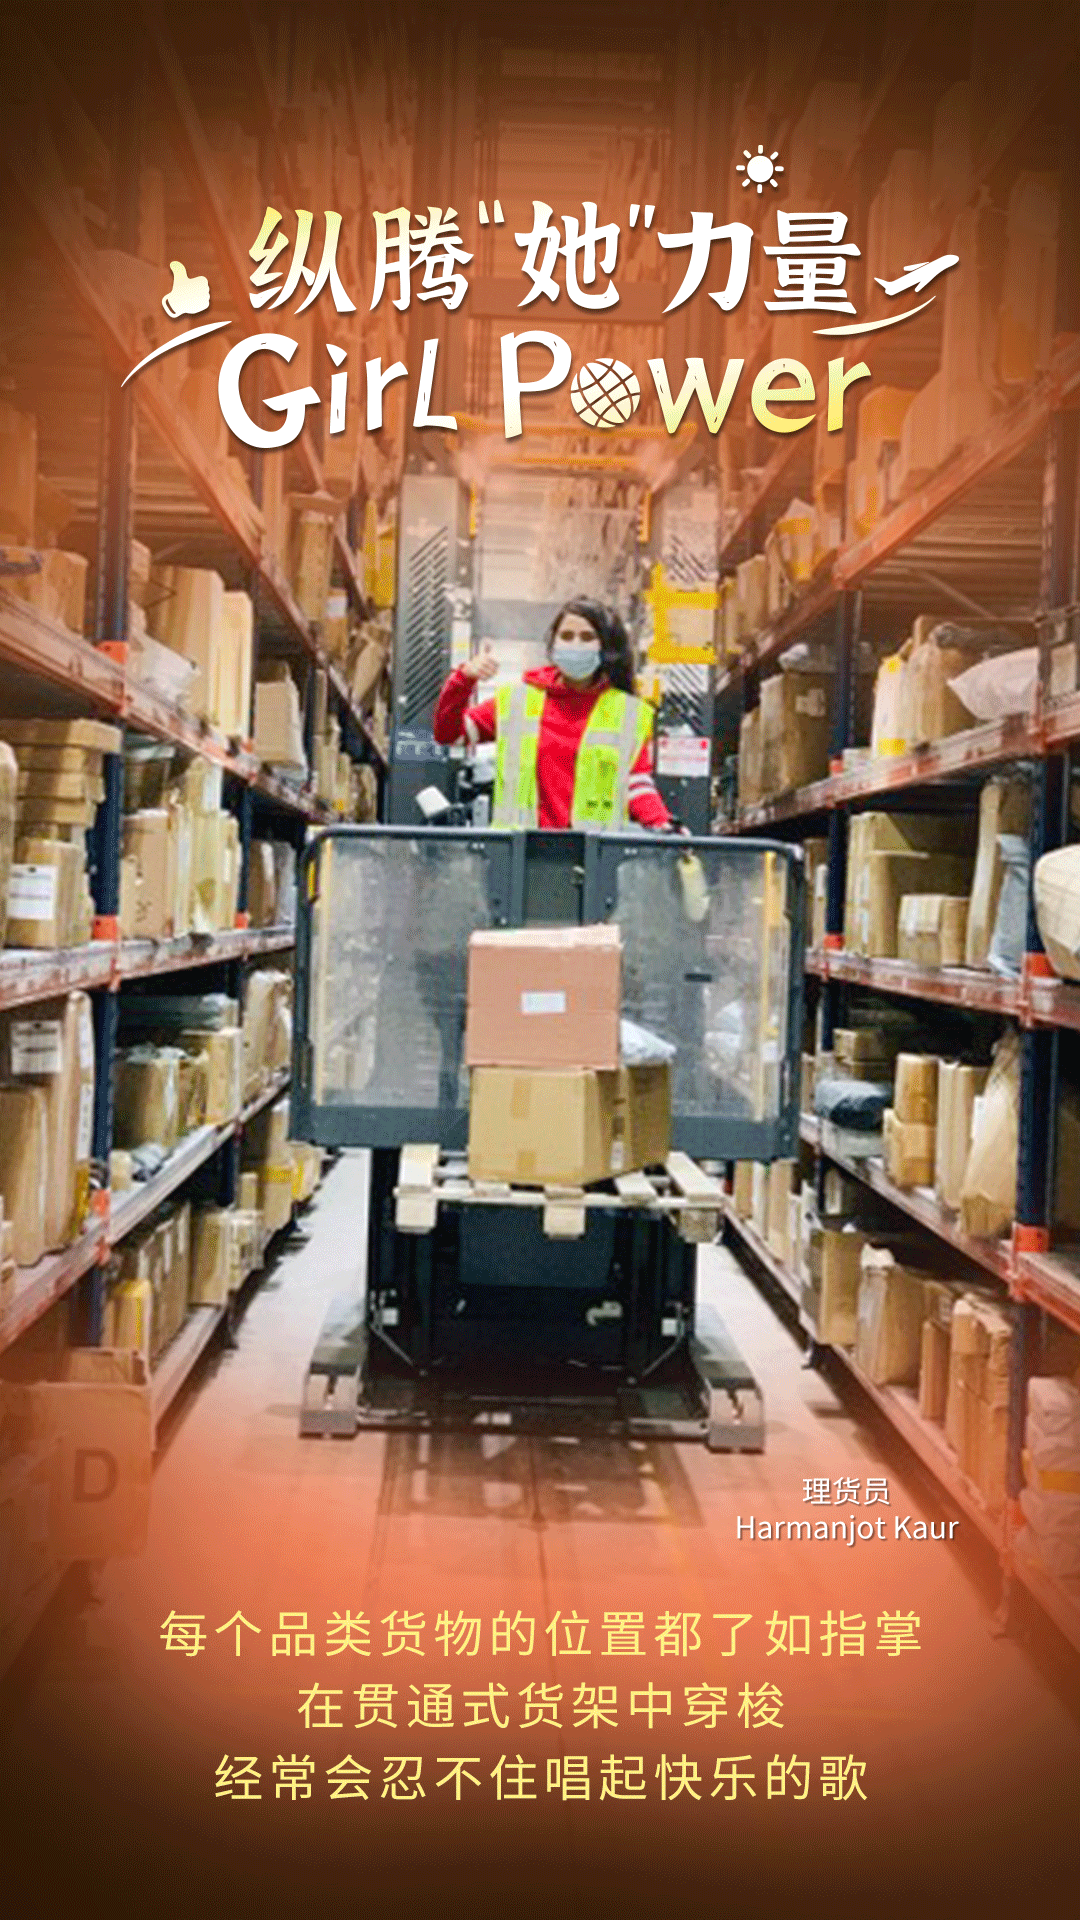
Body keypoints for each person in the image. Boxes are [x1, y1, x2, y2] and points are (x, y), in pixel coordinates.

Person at [432, 596, 674, 831]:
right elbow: (449, 734)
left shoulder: (627, 713)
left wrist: (664, 825)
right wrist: (463, 679)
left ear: (606, 647)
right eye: (567, 636)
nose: (575, 644)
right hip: (519, 851)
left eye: (587, 637)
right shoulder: (516, 702)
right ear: (553, 644)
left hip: (591, 853)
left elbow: (637, 784)